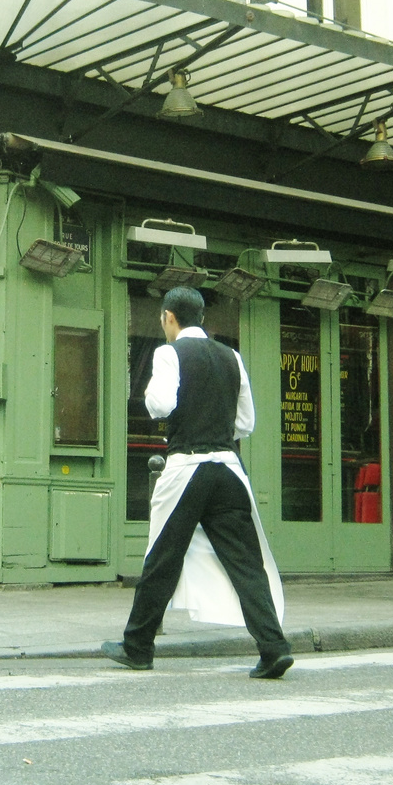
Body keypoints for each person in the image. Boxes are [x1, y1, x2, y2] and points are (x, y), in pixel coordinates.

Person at [102, 286, 293, 679]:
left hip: (186, 467)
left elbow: (160, 405)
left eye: (162, 319)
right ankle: (274, 647)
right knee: (246, 563)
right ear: (201, 318)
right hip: (228, 468)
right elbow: (246, 424)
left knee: (161, 558)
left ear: (169, 317)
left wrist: (162, 395)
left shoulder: (168, 352)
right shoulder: (232, 357)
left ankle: (138, 646)